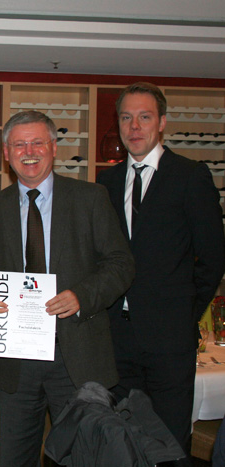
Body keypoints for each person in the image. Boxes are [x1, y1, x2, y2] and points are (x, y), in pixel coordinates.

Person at [0, 110, 134, 466]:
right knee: (14, 458)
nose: (29, 152)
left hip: (76, 354)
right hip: (18, 356)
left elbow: (121, 264)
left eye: (37, 143)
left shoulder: (90, 197)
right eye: (19, 145)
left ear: (54, 147)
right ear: (7, 153)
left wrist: (81, 296)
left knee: (79, 457)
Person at [97, 82, 225, 457]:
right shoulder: (105, 183)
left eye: (144, 117)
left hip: (169, 341)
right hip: (117, 340)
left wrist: (184, 314)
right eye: (126, 118)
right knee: (121, 443)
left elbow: (213, 257)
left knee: (168, 445)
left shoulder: (190, 176)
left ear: (162, 122)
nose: (134, 126)